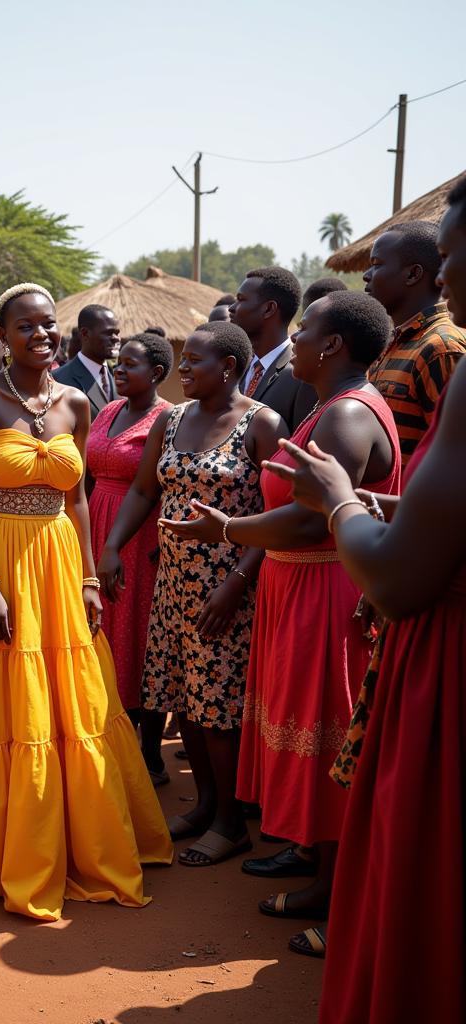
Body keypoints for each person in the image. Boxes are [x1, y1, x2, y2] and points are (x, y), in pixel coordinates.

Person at [265, 179, 466, 1024]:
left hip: (418, 622)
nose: (452, 274)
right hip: (400, 550)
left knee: (420, 868)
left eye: (454, 255)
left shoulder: (446, 356)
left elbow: (401, 574)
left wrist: (342, 497)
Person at [0, 283, 172, 921]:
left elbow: (78, 495)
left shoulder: (78, 402)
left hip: (58, 562)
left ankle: (74, 840)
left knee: (69, 698)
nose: (41, 335)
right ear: (4, 336)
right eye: (25, 326)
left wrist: (88, 577)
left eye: (49, 325)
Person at [160, 291, 399, 957]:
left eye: (305, 332)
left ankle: (345, 899)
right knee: (314, 739)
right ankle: (323, 876)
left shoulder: (347, 414)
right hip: (301, 587)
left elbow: (308, 515)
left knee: (331, 744)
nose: (291, 341)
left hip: (326, 588)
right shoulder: (328, 407)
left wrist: (227, 528)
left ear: (334, 347)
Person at [98, 320, 288, 866]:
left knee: (219, 707)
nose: (182, 369)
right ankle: (205, 805)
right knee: (185, 698)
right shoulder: (173, 418)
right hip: (174, 582)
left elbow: (277, 514)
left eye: (194, 362)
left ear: (228, 368)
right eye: (183, 362)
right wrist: (112, 547)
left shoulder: (261, 423)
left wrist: (237, 582)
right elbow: (142, 489)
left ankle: (231, 822)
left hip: (229, 585)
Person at [87, 332, 174, 783]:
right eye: (118, 364)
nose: (119, 370)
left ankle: (151, 754)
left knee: (140, 635)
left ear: (157, 374)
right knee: (103, 634)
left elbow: (154, 487)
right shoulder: (107, 410)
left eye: (131, 365)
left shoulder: (167, 419)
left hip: (138, 537)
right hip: (96, 523)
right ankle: (109, 737)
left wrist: (117, 545)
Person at [363, 219, 466, 459]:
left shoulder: (442, 348)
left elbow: (454, 458)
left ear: (412, 274)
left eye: (377, 264)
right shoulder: (391, 341)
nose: (367, 276)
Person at [229, 267, 316, 431]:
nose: (231, 308)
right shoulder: (235, 366)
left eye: (241, 300)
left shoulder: (301, 376)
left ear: (269, 309)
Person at [53, 303, 120, 418]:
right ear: (85, 334)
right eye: (108, 333)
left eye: (117, 333)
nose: (115, 338)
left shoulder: (119, 376)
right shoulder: (58, 380)